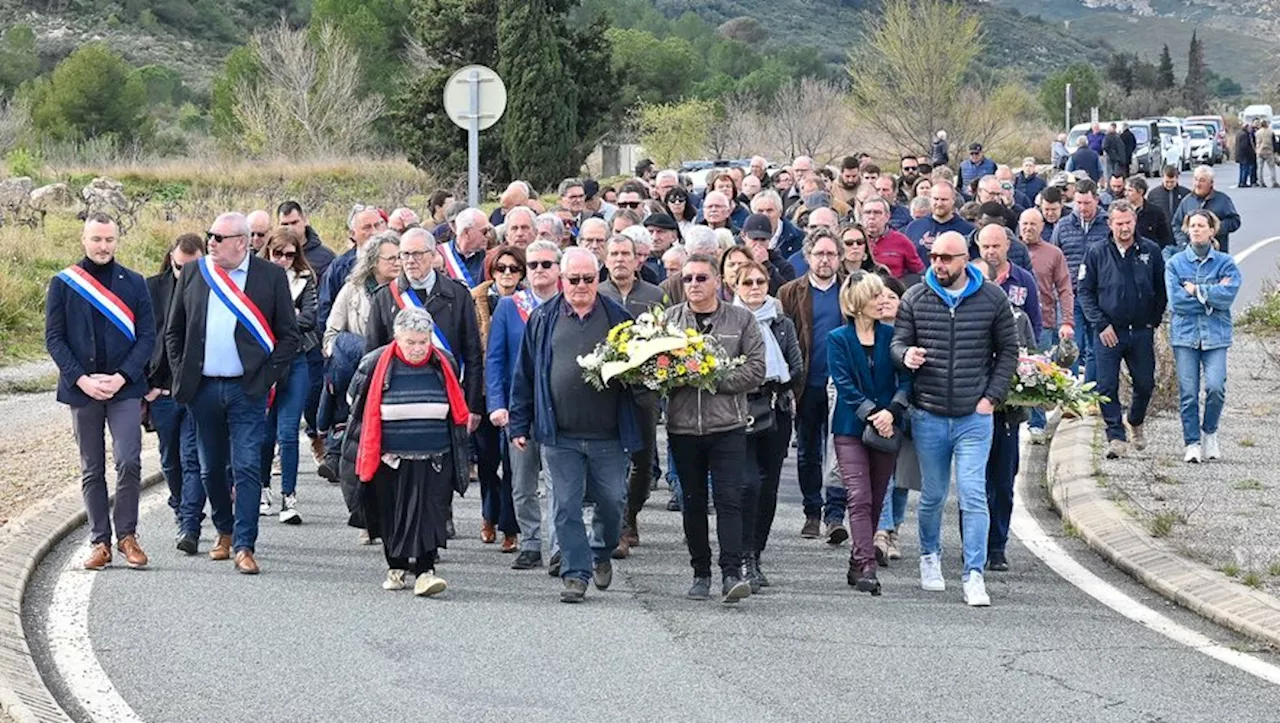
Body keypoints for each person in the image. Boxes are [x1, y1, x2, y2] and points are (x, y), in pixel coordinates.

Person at [165, 212, 301, 573]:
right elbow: (173, 331)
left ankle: (244, 544)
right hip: (203, 387)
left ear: (241, 242)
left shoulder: (269, 277)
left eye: (218, 237)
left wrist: (265, 378)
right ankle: (223, 530)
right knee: (210, 469)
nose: (210, 241)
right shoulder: (196, 272)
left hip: (247, 390)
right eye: (210, 235)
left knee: (245, 465)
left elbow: (289, 336)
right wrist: (182, 374)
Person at [891, 231, 1019, 607]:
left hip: (973, 416)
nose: (939, 265)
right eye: (933, 257)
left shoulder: (992, 298)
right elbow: (897, 343)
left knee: (973, 494)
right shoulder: (915, 296)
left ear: (966, 258)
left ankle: (974, 573)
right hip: (928, 412)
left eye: (947, 258)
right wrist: (906, 356)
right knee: (931, 495)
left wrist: (991, 398)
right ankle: (929, 556)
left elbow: (1007, 351)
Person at [508, 248, 641, 603]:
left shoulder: (619, 318)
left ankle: (600, 550)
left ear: (598, 279)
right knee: (564, 506)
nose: (581, 286)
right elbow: (523, 374)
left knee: (612, 503)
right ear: (561, 280)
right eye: (573, 279)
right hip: (560, 435)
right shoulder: (542, 318)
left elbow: (641, 374)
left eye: (588, 279)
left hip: (609, 435)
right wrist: (519, 423)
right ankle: (575, 573)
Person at [46, 213, 157, 570]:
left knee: (129, 461)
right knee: (92, 468)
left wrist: (123, 376)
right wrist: (81, 379)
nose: (103, 246)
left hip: (123, 388)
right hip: (82, 389)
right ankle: (100, 541)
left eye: (109, 239)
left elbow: (147, 338)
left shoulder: (135, 283)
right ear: (84, 240)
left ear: (117, 240)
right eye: (97, 239)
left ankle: (127, 535)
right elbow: (55, 338)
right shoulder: (64, 284)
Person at [342, 307, 471, 597]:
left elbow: (457, 408)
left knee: (432, 515)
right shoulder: (375, 363)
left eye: (422, 342)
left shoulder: (444, 363)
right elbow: (354, 400)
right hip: (391, 458)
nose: (417, 349)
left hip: (435, 457)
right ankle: (396, 567)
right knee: (392, 514)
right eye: (410, 342)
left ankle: (426, 572)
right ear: (396, 338)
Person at [666, 254, 766, 603]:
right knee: (692, 502)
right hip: (682, 427)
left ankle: (731, 573)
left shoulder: (741, 319)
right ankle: (700, 572)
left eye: (702, 278)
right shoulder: (669, 321)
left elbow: (756, 369)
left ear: (718, 282)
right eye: (688, 278)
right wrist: (674, 375)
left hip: (727, 426)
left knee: (728, 500)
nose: (694, 284)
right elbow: (655, 367)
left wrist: (712, 379)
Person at [829, 271, 910, 595]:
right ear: (857, 303)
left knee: (876, 497)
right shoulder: (838, 338)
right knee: (859, 496)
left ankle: (855, 560)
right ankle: (866, 564)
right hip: (851, 427)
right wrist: (873, 414)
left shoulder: (892, 336)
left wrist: (891, 411)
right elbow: (844, 384)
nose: (882, 301)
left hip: (887, 427)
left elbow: (906, 381)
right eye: (875, 296)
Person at [487, 241, 563, 571]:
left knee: (560, 482)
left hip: (560, 408)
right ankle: (531, 542)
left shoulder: (569, 303)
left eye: (547, 264)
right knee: (522, 482)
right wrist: (497, 403)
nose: (539, 270)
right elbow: (495, 358)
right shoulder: (508, 306)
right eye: (533, 265)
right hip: (520, 407)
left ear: (558, 268)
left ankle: (560, 546)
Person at [1076, 200, 1167, 459]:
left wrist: (1153, 321)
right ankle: (1115, 436)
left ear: (1134, 222)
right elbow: (1085, 292)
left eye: (1128, 223)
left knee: (1145, 384)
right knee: (1106, 387)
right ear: (1110, 224)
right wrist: (1101, 323)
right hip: (1108, 332)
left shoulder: (1150, 250)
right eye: (1119, 224)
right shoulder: (1096, 253)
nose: (1124, 228)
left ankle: (1135, 421)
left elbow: (1161, 289)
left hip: (1140, 331)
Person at [732, 260, 802, 590]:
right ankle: (742, 554)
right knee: (748, 483)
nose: (756, 287)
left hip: (776, 408)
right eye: (748, 283)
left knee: (768, 484)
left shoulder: (782, 322)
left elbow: (796, 365)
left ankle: (755, 555)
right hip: (738, 408)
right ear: (736, 286)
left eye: (761, 281)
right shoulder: (728, 321)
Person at [598, 234, 666, 559]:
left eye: (626, 253)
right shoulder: (596, 293)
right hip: (607, 392)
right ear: (605, 258)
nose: (620, 259)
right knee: (611, 458)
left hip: (644, 391)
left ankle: (631, 513)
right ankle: (617, 524)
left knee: (642, 459)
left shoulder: (655, 295)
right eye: (614, 253)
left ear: (638, 259)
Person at [778, 229, 848, 542]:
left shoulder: (851, 290)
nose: (824, 260)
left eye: (830, 254)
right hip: (806, 384)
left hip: (843, 385)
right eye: (819, 254)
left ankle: (835, 515)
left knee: (841, 452)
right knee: (807, 452)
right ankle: (811, 511)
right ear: (807, 257)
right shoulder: (790, 293)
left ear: (840, 258)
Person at [317, 232, 401, 482]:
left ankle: (334, 445)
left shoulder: (405, 291)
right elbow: (331, 334)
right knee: (344, 355)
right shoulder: (352, 290)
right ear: (374, 262)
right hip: (353, 365)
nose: (398, 262)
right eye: (391, 258)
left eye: (400, 257)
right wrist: (344, 356)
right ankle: (337, 454)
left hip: (391, 365)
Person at [1165, 210, 1241, 463]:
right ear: (1187, 229)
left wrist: (1197, 290)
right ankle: (1192, 442)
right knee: (1188, 392)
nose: (1197, 230)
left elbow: (1228, 295)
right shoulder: (1175, 263)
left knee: (1215, 387)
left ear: (1212, 230)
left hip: (1216, 334)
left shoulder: (1225, 263)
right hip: (1185, 335)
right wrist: (1211, 297)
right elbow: (1177, 302)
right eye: (1193, 225)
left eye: (1202, 226)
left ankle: (1210, 432)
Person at [256, 226, 318, 525]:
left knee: (288, 431)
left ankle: (289, 497)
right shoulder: (255, 278)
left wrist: (284, 316)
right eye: (277, 253)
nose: (282, 260)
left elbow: (309, 319)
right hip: (266, 365)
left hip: (297, 361)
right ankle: (263, 489)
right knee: (265, 433)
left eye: (290, 255)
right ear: (268, 251)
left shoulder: (306, 280)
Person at [145, 233, 205, 538]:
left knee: (193, 457)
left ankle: (190, 522)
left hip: (196, 391)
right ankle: (180, 505)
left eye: (192, 268)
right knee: (170, 459)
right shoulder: (152, 288)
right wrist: (148, 385)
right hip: (162, 392)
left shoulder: (211, 289)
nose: (186, 274)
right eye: (181, 267)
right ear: (171, 259)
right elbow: (141, 338)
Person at [471, 246, 526, 552]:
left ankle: (509, 525)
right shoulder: (473, 299)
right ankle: (488, 515)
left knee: (514, 464)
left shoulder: (528, 303)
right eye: (501, 268)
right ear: (491, 271)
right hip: (482, 392)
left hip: (516, 393)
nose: (507, 274)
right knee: (488, 461)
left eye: (514, 269)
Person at [869, 277, 917, 564]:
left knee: (902, 478)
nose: (885, 301)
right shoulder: (868, 332)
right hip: (878, 412)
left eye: (891, 296)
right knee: (882, 474)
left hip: (907, 410)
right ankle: (881, 531)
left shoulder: (911, 333)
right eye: (880, 296)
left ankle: (894, 529)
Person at [1019, 208, 1074, 442]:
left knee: (1037, 371)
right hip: (1011, 322)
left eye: (1033, 224)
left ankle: (1037, 423)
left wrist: (1067, 321)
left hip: (1043, 322)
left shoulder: (1053, 254)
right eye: (1024, 224)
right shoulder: (1010, 250)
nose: (1028, 228)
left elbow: (1064, 288)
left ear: (1042, 227)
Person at [1051, 179, 1109, 381]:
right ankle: (1071, 394)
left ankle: (1090, 393)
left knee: (1095, 347)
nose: (1082, 208)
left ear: (1097, 200)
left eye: (1087, 203)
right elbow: (1055, 258)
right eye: (1079, 203)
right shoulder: (1063, 225)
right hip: (1071, 294)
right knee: (1070, 346)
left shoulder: (1107, 225)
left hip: (1098, 296)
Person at [904, 180, 976, 266]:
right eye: (936, 199)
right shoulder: (914, 227)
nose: (939, 203)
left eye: (944, 199)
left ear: (953, 200)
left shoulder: (968, 231)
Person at [1171, 166, 1241, 254]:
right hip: (1191, 254)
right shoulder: (1187, 201)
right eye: (1196, 179)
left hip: (1217, 253)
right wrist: (1183, 243)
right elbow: (1176, 224)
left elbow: (1235, 221)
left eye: (1202, 180)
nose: (1197, 184)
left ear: (1211, 183)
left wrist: (1215, 228)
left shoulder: (1223, 200)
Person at [861, 197, 925, 280]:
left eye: (877, 213)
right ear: (861, 216)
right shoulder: (854, 241)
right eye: (867, 212)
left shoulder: (901, 241)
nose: (872, 217)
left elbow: (919, 272)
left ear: (887, 217)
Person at [1147, 166, 1191, 235]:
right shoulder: (1153, 194)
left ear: (1177, 179)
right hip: (1160, 232)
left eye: (1172, 182)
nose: (1169, 184)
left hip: (1181, 232)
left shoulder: (1186, 193)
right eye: (1167, 182)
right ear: (1162, 178)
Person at [1235, 124, 1256, 188]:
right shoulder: (1244, 135)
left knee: (1242, 168)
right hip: (1244, 155)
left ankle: (1241, 182)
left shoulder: (1239, 133)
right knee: (1245, 169)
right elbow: (1245, 146)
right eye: (1249, 128)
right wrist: (1251, 153)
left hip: (1239, 154)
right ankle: (1243, 182)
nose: (1250, 129)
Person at [1257, 120, 1277, 188]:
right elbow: (1274, 142)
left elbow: (1255, 141)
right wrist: (1275, 151)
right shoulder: (1270, 132)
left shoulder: (1258, 132)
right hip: (1269, 151)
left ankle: (1261, 182)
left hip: (1260, 151)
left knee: (1260, 168)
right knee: (1272, 168)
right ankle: (1274, 182)